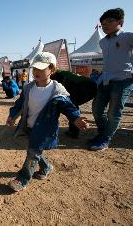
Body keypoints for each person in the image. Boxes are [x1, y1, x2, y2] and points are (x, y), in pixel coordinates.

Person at [6, 52, 88, 192]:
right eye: (35, 68)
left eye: (41, 68)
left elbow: (69, 107)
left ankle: (23, 179)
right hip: (29, 126)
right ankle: (46, 167)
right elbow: (19, 105)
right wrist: (12, 116)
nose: (36, 71)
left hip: (45, 130)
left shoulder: (57, 91)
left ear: (52, 69)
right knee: (34, 149)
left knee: (32, 152)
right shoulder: (29, 88)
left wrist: (76, 118)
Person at [90, 8, 133, 151]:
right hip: (105, 80)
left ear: (120, 22)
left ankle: (105, 138)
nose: (105, 25)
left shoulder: (127, 37)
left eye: (109, 21)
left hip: (123, 80)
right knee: (96, 109)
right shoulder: (103, 42)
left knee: (114, 112)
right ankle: (103, 133)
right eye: (103, 23)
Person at [51, 69, 97, 138]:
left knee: (71, 105)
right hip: (90, 86)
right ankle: (74, 130)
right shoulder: (60, 72)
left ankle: (74, 131)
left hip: (85, 87)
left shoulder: (55, 76)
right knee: (72, 105)